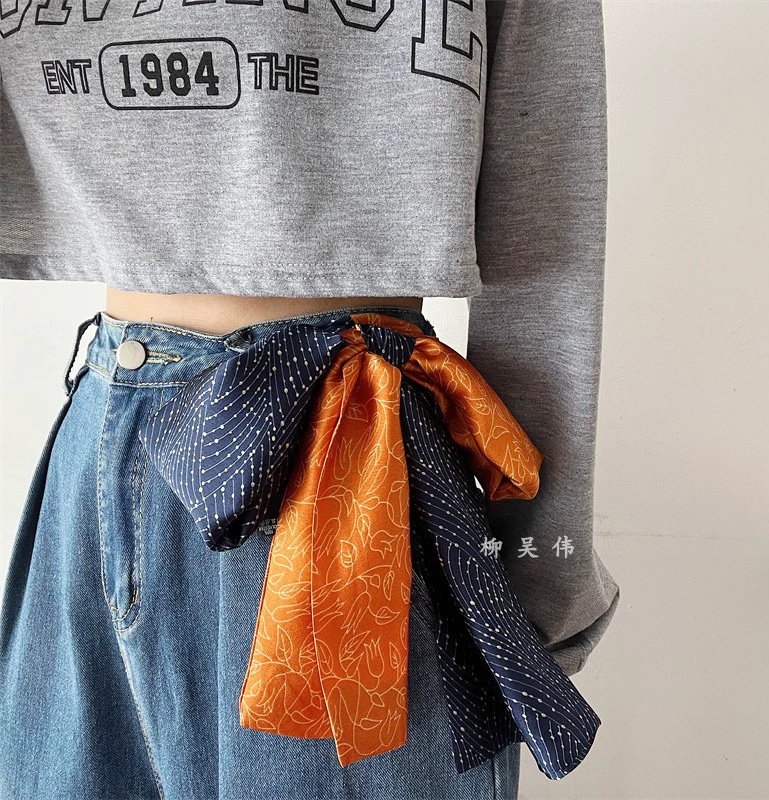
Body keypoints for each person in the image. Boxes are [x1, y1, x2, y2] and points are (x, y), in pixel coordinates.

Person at [0, 1, 620, 797]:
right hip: (102, 446)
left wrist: (535, 567)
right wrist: (539, 591)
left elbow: (546, 215)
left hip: (345, 456)